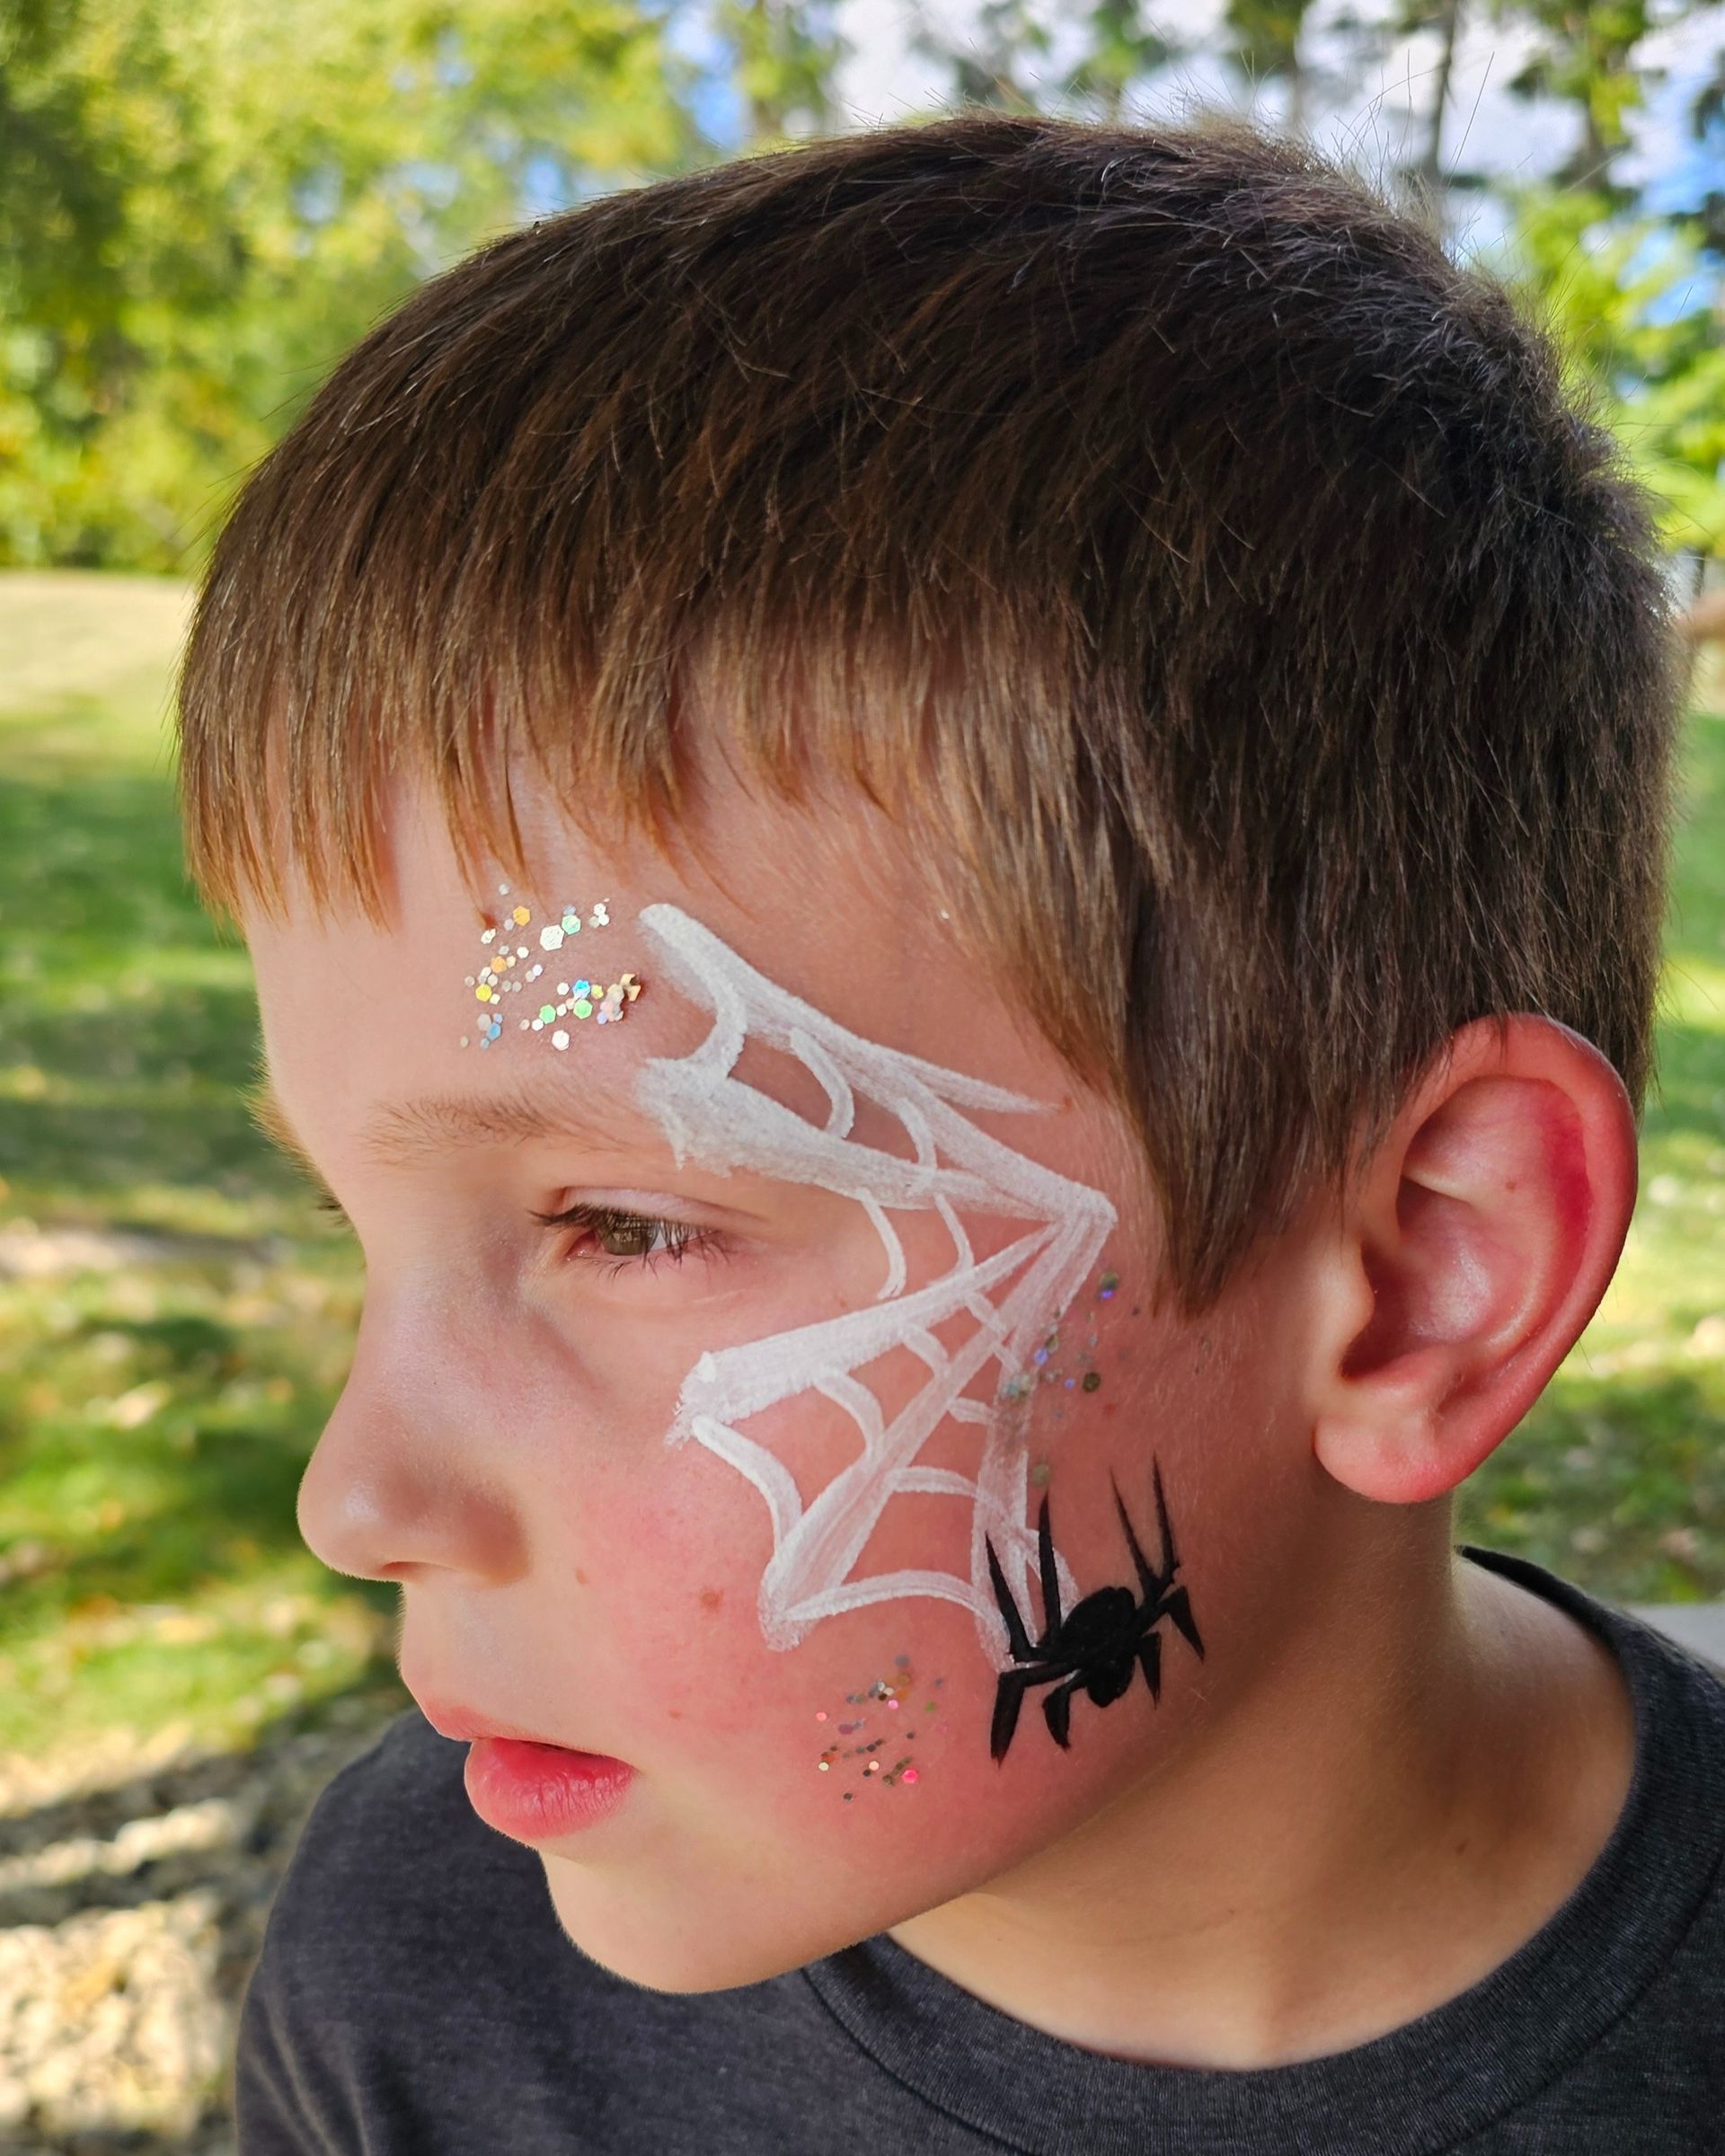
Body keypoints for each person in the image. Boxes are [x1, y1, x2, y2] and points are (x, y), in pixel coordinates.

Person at [175, 111, 1725, 2153]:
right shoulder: (422, 1976)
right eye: (349, 1220)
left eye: (624, 1227)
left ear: (1430, 1276)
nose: (354, 1497)